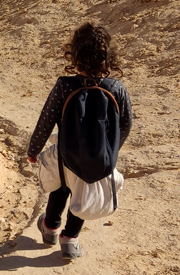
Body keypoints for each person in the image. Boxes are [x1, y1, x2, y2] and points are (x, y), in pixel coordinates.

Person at [26, 23, 134, 259]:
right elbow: (126, 124)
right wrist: (111, 150)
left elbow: (46, 119)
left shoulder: (65, 85)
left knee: (62, 188)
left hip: (67, 154)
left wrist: (33, 149)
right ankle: (70, 239)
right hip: (99, 157)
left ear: (74, 57)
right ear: (108, 59)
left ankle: (50, 227)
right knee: (83, 192)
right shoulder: (117, 88)